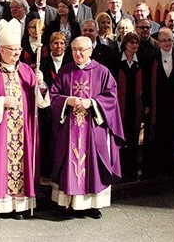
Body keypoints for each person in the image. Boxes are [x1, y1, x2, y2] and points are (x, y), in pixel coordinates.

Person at [0, 18, 49, 219]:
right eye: (12, 49)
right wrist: (0, 101)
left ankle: (19, 206)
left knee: (22, 165)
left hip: (23, 130)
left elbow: (39, 102)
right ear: (2, 49)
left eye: (18, 49)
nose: (16, 53)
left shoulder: (26, 71)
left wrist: (40, 84)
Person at [50, 36, 124, 219]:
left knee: (94, 164)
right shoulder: (65, 71)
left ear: (90, 51)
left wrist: (91, 103)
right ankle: (68, 203)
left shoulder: (102, 72)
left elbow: (111, 97)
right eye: (74, 49)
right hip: (70, 129)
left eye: (82, 49)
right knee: (70, 161)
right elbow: (53, 96)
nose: (78, 53)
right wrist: (68, 100)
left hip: (93, 128)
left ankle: (93, 205)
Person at [142, 28, 174, 178]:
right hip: (156, 106)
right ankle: (155, 167)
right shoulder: (151, 60)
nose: (167, 43)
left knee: (171, 135)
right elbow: (146, 85)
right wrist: (146, 104)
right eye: (163, 40)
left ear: (173, 42)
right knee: (156, 136)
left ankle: (169, 166)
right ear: (158, 42)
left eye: (169, 40)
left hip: (173, 106)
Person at [38, 32, 72, 178]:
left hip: (65, 106)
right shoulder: (43, 64)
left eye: (62, 43)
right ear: (50, 45)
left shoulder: (71, 63)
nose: (59, 46)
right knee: (48, 139)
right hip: (47, 108)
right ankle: (47, 170)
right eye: (55, 43)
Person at [114, 32, 144, 182]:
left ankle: (131, 171)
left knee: (133, 139)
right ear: (125, 44)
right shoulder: (117, 62)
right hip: (120, 107)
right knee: (120, 139)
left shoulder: (141, 63)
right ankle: (119, 170)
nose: (134, 45)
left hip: (135, 107)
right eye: (131, 43)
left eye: (136, 43)